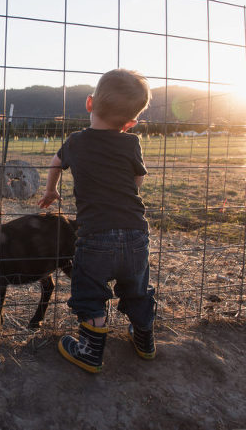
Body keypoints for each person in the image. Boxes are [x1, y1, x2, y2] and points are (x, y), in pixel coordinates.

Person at [38, 68, 155, 373]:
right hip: (135, 235)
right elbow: (138, 180)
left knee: (89, 292)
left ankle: (90, 352)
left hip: (95, 237)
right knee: (138, 290)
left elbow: (55, 163)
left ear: (89, 104)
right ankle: (144, 341)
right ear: (131, 123)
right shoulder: (131, 143)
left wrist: (50, 191)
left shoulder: (76, 142)